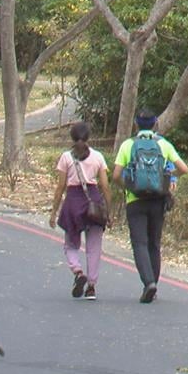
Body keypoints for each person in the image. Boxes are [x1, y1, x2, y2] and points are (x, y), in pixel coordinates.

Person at [112, 108, 188, 303]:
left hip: (135, 201)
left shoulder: (128, 145)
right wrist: (167, 178)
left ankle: (148, 283)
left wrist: (128, 186)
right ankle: (153, 283)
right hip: (157, 200)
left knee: (140, 243)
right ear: (155, 124)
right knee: (154, 243)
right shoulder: (163, 144)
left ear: (136, 124)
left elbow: (116, 175)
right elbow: (183, 168)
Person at [49, 122, 112, 300]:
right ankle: (91, 287)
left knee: (70, 244)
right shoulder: (98, 157)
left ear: (72, 137)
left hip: (73, 203)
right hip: (94, 202)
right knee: (94, 247)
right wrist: (108, 211)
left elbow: (60, 187)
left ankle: (77, 271)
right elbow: (105, 186)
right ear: (88, 137)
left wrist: (54, 212)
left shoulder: (66, 157)